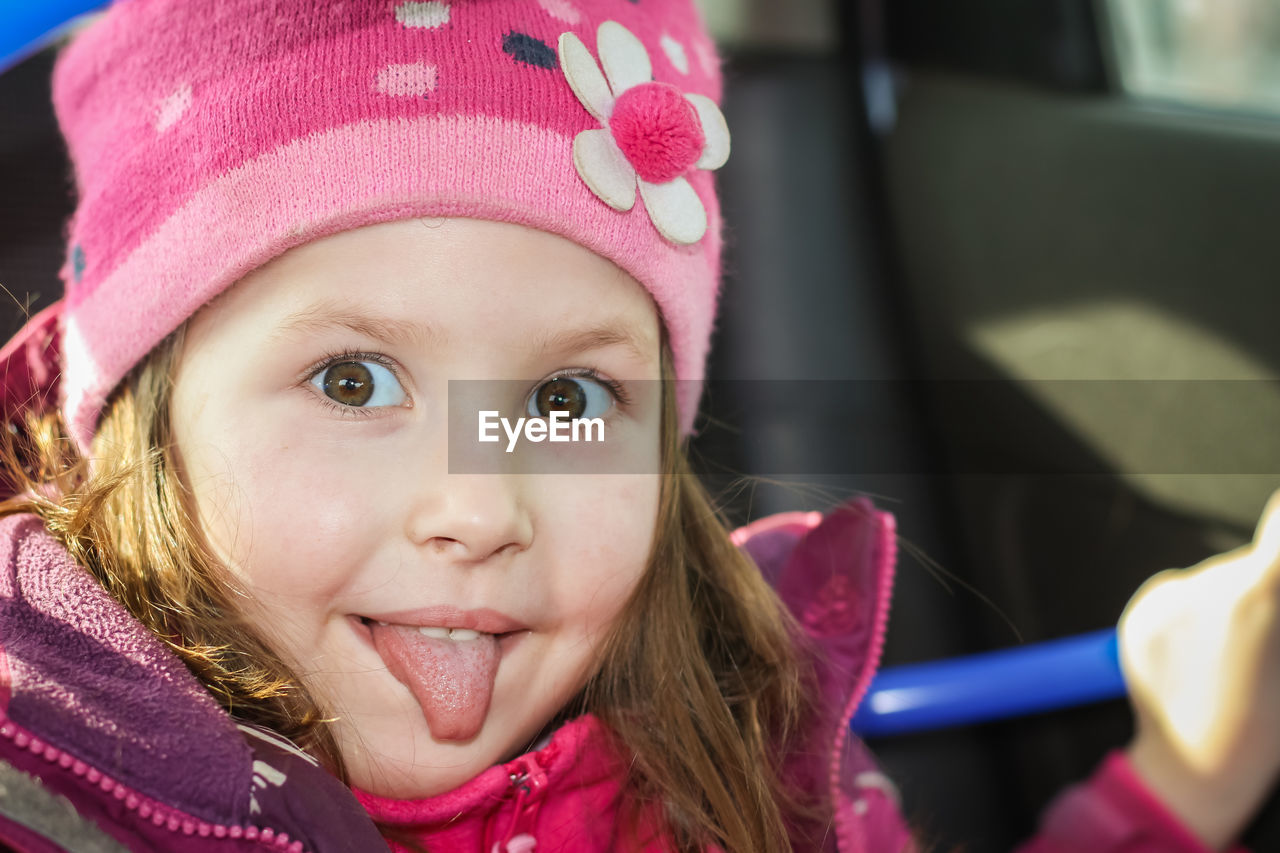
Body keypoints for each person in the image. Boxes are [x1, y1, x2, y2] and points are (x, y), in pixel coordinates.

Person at [0, 0, 1275, 850]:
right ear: (134, 425)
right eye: (353, 382)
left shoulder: (758, 753)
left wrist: (1173, 786)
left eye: (565, 402)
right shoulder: (44, 782)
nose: (480, 506)